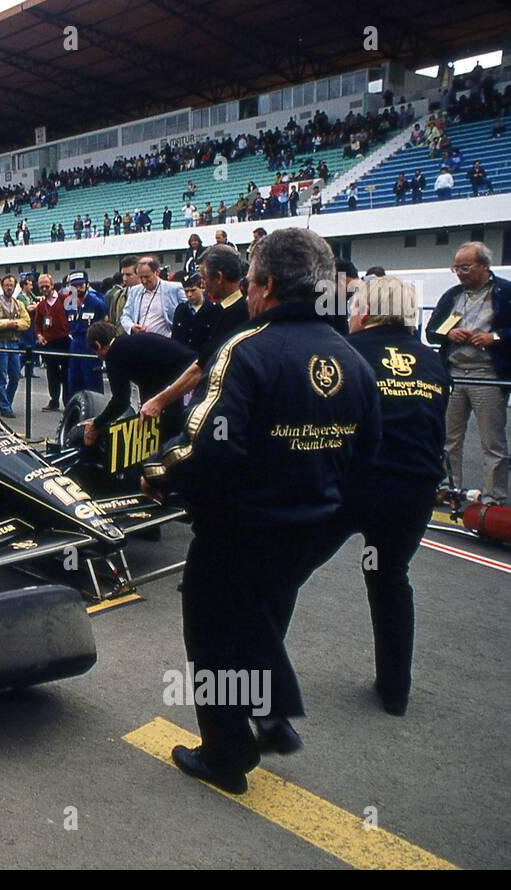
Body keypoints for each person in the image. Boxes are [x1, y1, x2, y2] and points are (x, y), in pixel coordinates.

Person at [141, 228, 380, 794]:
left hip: (241, 528)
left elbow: (209, 448)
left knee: (211, 633)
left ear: (268, 285)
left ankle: (229, 753)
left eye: (249, 283)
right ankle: (270, 717)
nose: (246, 295)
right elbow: (367, 455)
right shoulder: (354, 358)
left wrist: (156, 473)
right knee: (260, 618)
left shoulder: (247, 349)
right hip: (312, 529)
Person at [309, 276, 450, 714]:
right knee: (390, 581)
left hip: (351, 485)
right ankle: (395, 693)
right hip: (413, 490)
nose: (349, 313)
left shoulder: (343, 353)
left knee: (285, 571)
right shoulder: (433, 363)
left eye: (353, 307)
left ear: (367, 313)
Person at [427, 241, 511, 503]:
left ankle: (494, 496)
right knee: (449, 439)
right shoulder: (452, 295)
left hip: (488, 373)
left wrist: (496, 337)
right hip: (453, 372)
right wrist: (448, 332)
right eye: (455, 268)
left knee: (492, 442)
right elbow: (432, 331)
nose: (460, 273)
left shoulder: (510, 292)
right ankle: (448, 487)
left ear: (484, 266)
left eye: (465, 267)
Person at [83, 321, 197, 447]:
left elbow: (121, 401)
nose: (98, 357)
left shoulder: (114, 354)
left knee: (168, 434)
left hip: (189, 376)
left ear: (97, 345)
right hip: (192, 366)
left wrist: (97, 424)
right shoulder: (130, 343)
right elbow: (148, 382)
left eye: (95, 352)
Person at [0, 274, 30, 418]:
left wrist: (14, 324)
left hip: (14, 344)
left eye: (11, 285)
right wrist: (8, 324)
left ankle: (7, 403)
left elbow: (26, 322)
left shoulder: (19, 304)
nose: (9, 288)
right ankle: (5, 407)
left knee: (16, 375)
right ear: (2, 286)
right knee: (1, 377)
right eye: (7, 285)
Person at [62, 271, 108, 399]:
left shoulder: (97, 303)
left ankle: (95, 414)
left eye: (80, 285)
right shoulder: (68, 303)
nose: (77, 289)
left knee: (92, 382)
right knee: (74, 381)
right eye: (74, 286)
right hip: (74, 345)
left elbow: (104, 324)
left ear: (87, 285)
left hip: (91, 346)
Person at [120, 257, 184, 337]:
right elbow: (125, 316)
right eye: (141, 277)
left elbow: (187, 312)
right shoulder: (134, 291)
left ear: (157, 272)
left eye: (147, 277)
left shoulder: (175, 288)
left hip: (166, 343)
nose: (144, 281)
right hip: (141, 342)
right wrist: (132, 326)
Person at [34, 273, 70, 411]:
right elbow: (37, 324)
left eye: (46, 286)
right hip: (49, 343)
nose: (44, 289)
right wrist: (39, 335)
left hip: (65, 341)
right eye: (41, 287)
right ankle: (54, 400)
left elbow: (73, 316)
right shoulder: (41, 305)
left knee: (67, 372)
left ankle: (68, 402)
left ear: (52, 286)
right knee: (52, 373)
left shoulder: (65, 299)